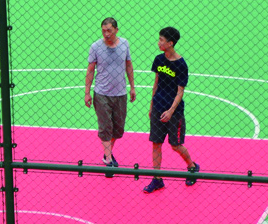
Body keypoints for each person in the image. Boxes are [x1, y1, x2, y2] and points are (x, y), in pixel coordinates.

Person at [143, 27, 199, 193]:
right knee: (156, 143)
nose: (158, 43)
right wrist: (152, 106)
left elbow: (180, 92)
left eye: (161, 40)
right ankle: (157, 179)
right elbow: (156, 83)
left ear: (170, 43)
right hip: (158, 107)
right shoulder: (158, 59)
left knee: (175, 145)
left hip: (174, 112)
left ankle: (192, 166)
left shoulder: (181, 64)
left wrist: (170, 111)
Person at [84, 17, 136, 177]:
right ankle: (108, 160)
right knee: (105, 127)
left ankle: (107, 153)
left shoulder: (125, 44)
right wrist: (87, 92)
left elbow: (128, 65)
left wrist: (132, 87)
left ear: (116, 30)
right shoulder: (95, 47)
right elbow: (90, 70)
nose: (106, 34)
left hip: (120, 94)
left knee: (118, 130)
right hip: (102, 94)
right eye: (103, 31)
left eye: (109, 30)